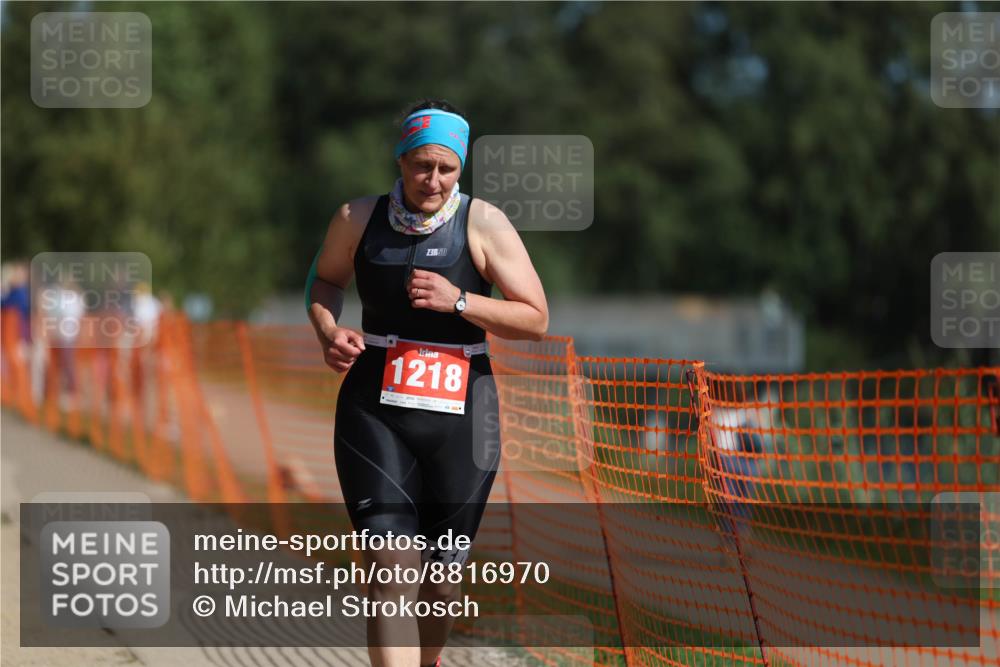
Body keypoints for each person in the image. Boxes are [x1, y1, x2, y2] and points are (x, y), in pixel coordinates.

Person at [305, 99, 548, 667]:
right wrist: (326, 330)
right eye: (421, 165)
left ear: (460, 168)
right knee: (391, 572)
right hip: (375, 411)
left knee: (439, 585)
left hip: (465, 419)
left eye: (446, 169)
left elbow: (535, 318)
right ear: (401, 159)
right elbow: (324, 281)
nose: (432, 180)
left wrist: (460, 300)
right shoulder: (356, 218)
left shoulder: (483, 223)